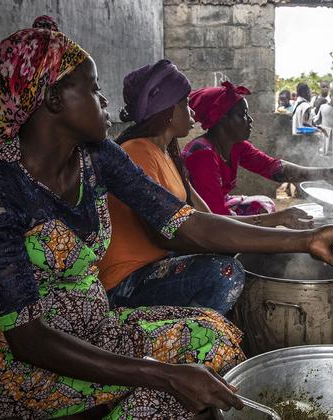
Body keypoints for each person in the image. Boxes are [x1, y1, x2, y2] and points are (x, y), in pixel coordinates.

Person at [0, 16, 333, 419]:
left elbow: (187, 223)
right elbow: (28, 339)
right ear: (55, 100)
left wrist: (305, 240)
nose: (106, 101)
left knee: (214, 339)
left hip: (97, 332)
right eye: (94, 89)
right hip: (22, 368)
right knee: (169, 396)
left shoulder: (98, 157)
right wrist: (164, 375)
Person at [98, 60, 314, 313]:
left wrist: (280, 218)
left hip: (157, 265)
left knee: (236, 251)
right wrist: (299, 239)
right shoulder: (138, 153)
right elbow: (172, 235)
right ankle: (193, 334)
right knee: (224, 271)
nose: (192, 112)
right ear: (167, 111)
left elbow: (210, 220)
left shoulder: (168, 155)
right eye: (185, 103)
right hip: (127, 281)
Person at [182, 81, 333, 216]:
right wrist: (278, 221)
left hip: (217, 210)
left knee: (262, 204)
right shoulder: (202, 155)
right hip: (197, 220)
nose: (250, 120)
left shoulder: (236, 146)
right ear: (223, 119)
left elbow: (274, 168)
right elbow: (215, 216)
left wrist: (325, 174)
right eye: (243, 115)